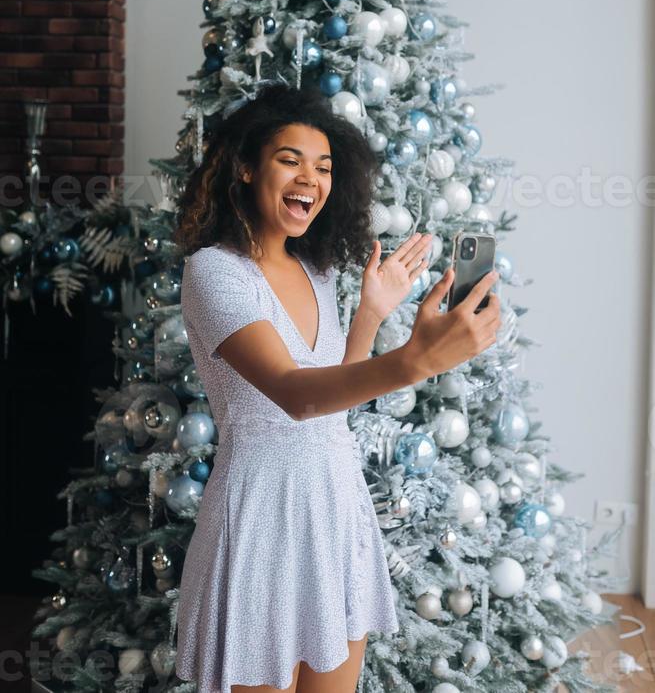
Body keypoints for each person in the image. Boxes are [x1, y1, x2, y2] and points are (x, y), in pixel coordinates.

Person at [173, 80, 501, 693]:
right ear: (245, 167)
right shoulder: (213, 271)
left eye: (323, 167)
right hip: (260, 515)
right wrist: (413, 362)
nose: (310, 179)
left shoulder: (315, 268)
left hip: (335, 506)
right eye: (290, 160)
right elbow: (294, 394)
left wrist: (372, 314)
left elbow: (331, 399)